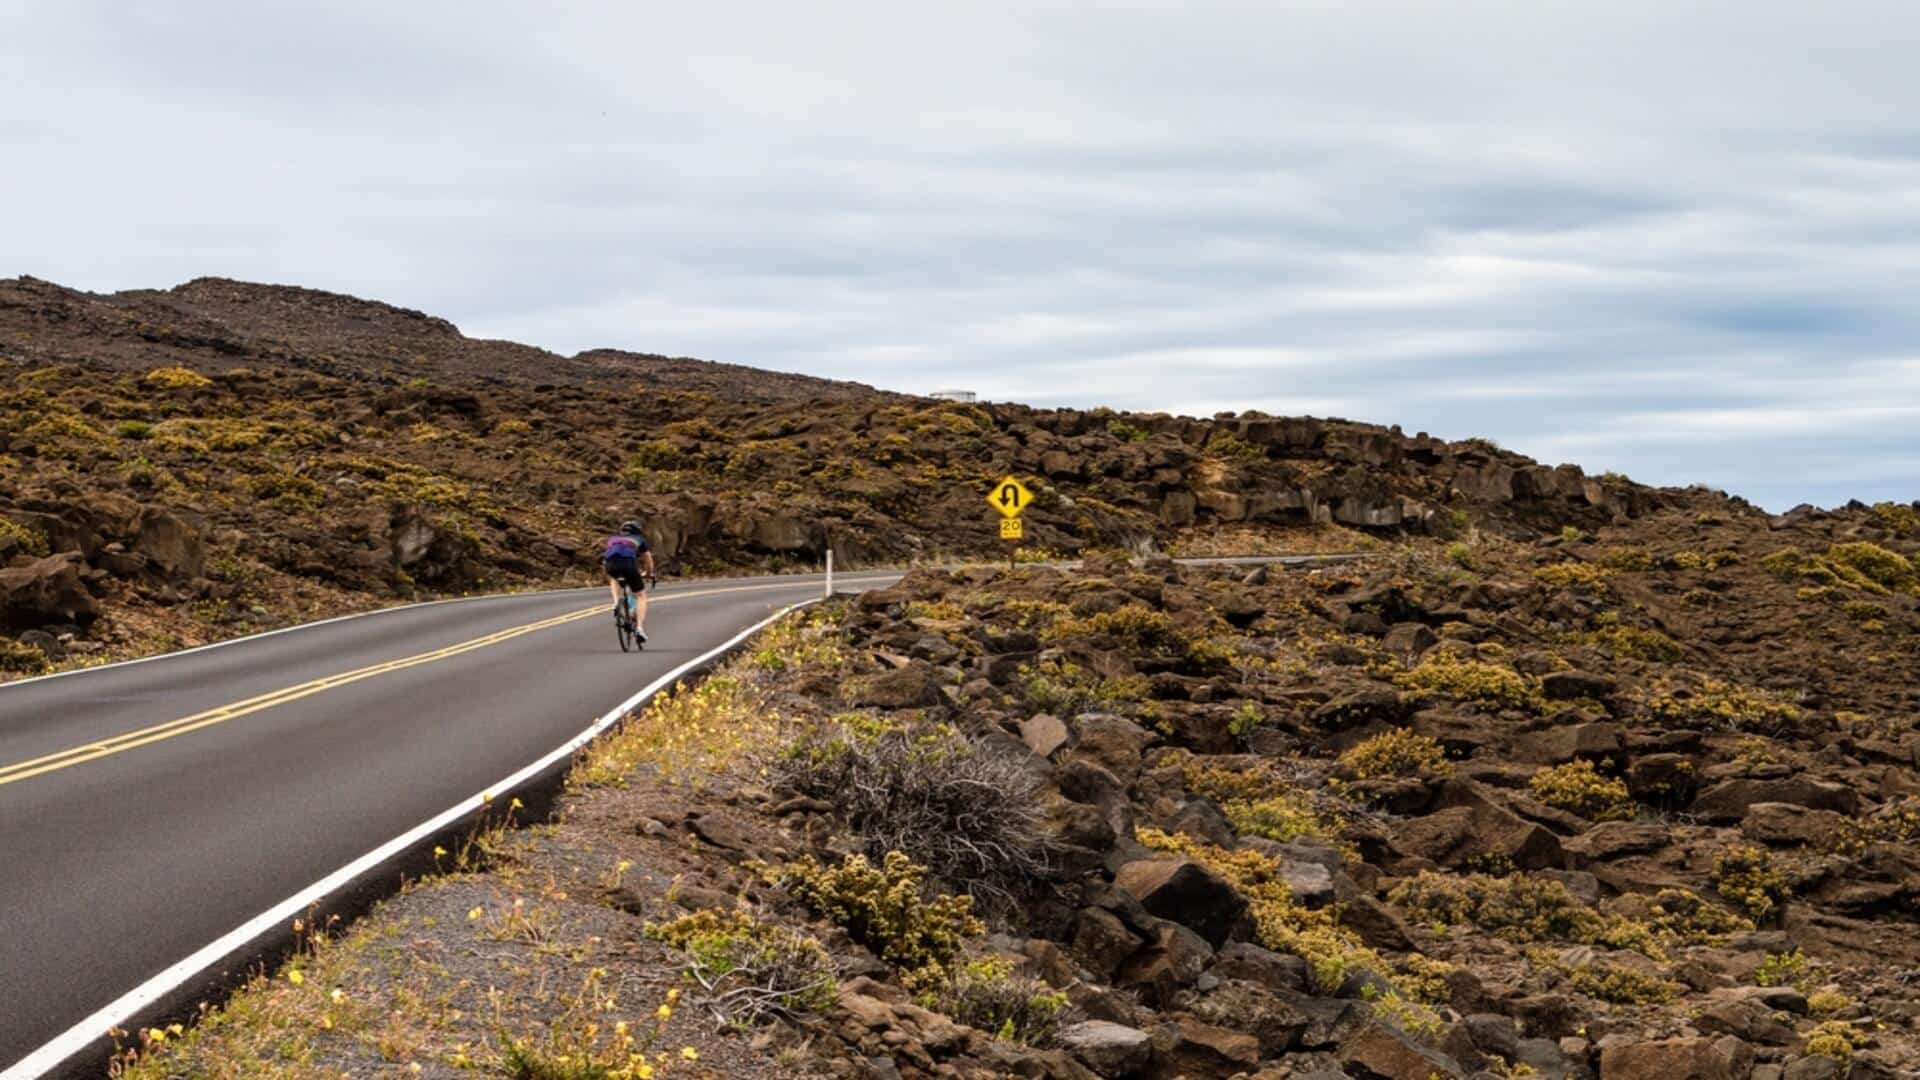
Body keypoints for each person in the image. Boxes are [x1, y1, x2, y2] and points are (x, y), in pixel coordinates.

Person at [600, 520, 655, 642]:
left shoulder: (613, 539)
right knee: (640, 595)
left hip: (611, 564)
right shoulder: (639, 539)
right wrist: (649, 574)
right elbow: (649, 562)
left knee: (614, 578)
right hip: (628, 564)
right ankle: (640, 629)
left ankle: (616, 602)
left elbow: (605, 559)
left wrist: (608, 572)